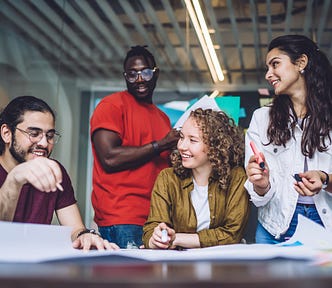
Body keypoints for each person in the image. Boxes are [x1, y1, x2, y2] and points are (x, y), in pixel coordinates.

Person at [0, 95, 119, 251]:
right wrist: (14, 180)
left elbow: (75, 229)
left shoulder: (55, 171)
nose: (43, 143)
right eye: (34, 134)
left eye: (49, 136)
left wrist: (85, 235)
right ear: (6, 133)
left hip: (33, 266)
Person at [245, 34, 332, 244]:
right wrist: (261, 183)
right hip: (273, 229)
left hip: (325, 225)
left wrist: (325, 179)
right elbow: (259, 196)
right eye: (267, 67)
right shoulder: (261, 118)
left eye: (275, 64)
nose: (268, 74)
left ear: (301, 62)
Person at [90, 45, 180, 248]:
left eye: (145, 72)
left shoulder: (162, 117)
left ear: (155, 73)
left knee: (151, 279)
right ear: (125, 76)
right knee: (128, 279)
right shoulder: (111, 105)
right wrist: (161, 144)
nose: (139, 79)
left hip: (156, 217)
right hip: (122, 216)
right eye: (132, 74)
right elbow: (109, 158)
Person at [142, 108, 249, 249]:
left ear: (215, 146)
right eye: (181, 137)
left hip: (223, 265)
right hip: (179, 266)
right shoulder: (167, 178)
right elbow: (151, 230)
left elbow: (232, 234)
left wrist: (176, 239)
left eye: (192, 140)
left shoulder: (236, 177)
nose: (181, 146)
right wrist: (155, 239)